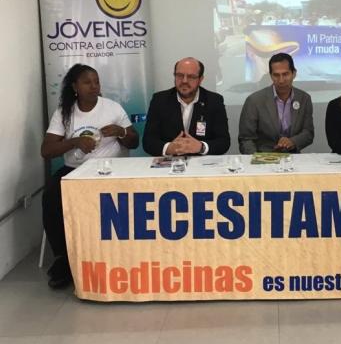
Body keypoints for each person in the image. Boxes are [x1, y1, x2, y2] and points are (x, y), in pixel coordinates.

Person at [41, 64, 139, 289]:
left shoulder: (112, 107)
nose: (94, 86)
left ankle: (122, 253)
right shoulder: (64, 113)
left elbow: (134, 141)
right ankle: (64, 259)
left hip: (113, 170)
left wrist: (122, 132)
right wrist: (74, 142)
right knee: (51, 197)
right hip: (75, 170)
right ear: (75, 87)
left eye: (96, 81)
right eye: (87, 82)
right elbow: (46, 150)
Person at [143, 57, 230, 156]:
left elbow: (224, 142)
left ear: (200, 79)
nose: (184, 81)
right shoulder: (160, 100)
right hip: (171, 162)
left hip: (201, 163)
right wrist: (168, 148)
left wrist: (201, 147)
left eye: (191, 77)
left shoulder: (214, 101)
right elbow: (148, 141)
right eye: (180, 75)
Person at [238, 53, 314, 154]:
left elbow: (308, 133)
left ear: (294, 73)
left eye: (285, 74)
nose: (281, 80)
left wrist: (293, 141)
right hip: (262, 157)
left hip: (293, 158)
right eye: (276, 75)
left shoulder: (304, 98)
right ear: (270, 75)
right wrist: (256, 158)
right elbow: (246, 139)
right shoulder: (254, 100)